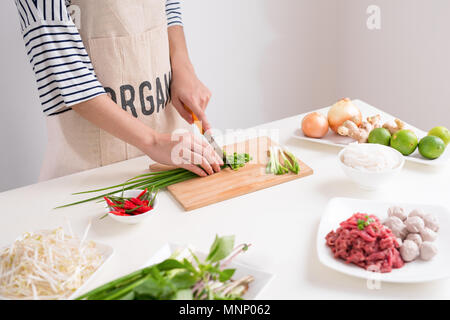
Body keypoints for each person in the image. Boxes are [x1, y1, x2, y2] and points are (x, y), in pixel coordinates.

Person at [13, 0, 223, 181]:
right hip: (94, 174)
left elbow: (168, 6)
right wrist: (153, 141)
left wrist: (183, 67)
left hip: (170, 143)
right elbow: (68, 73)